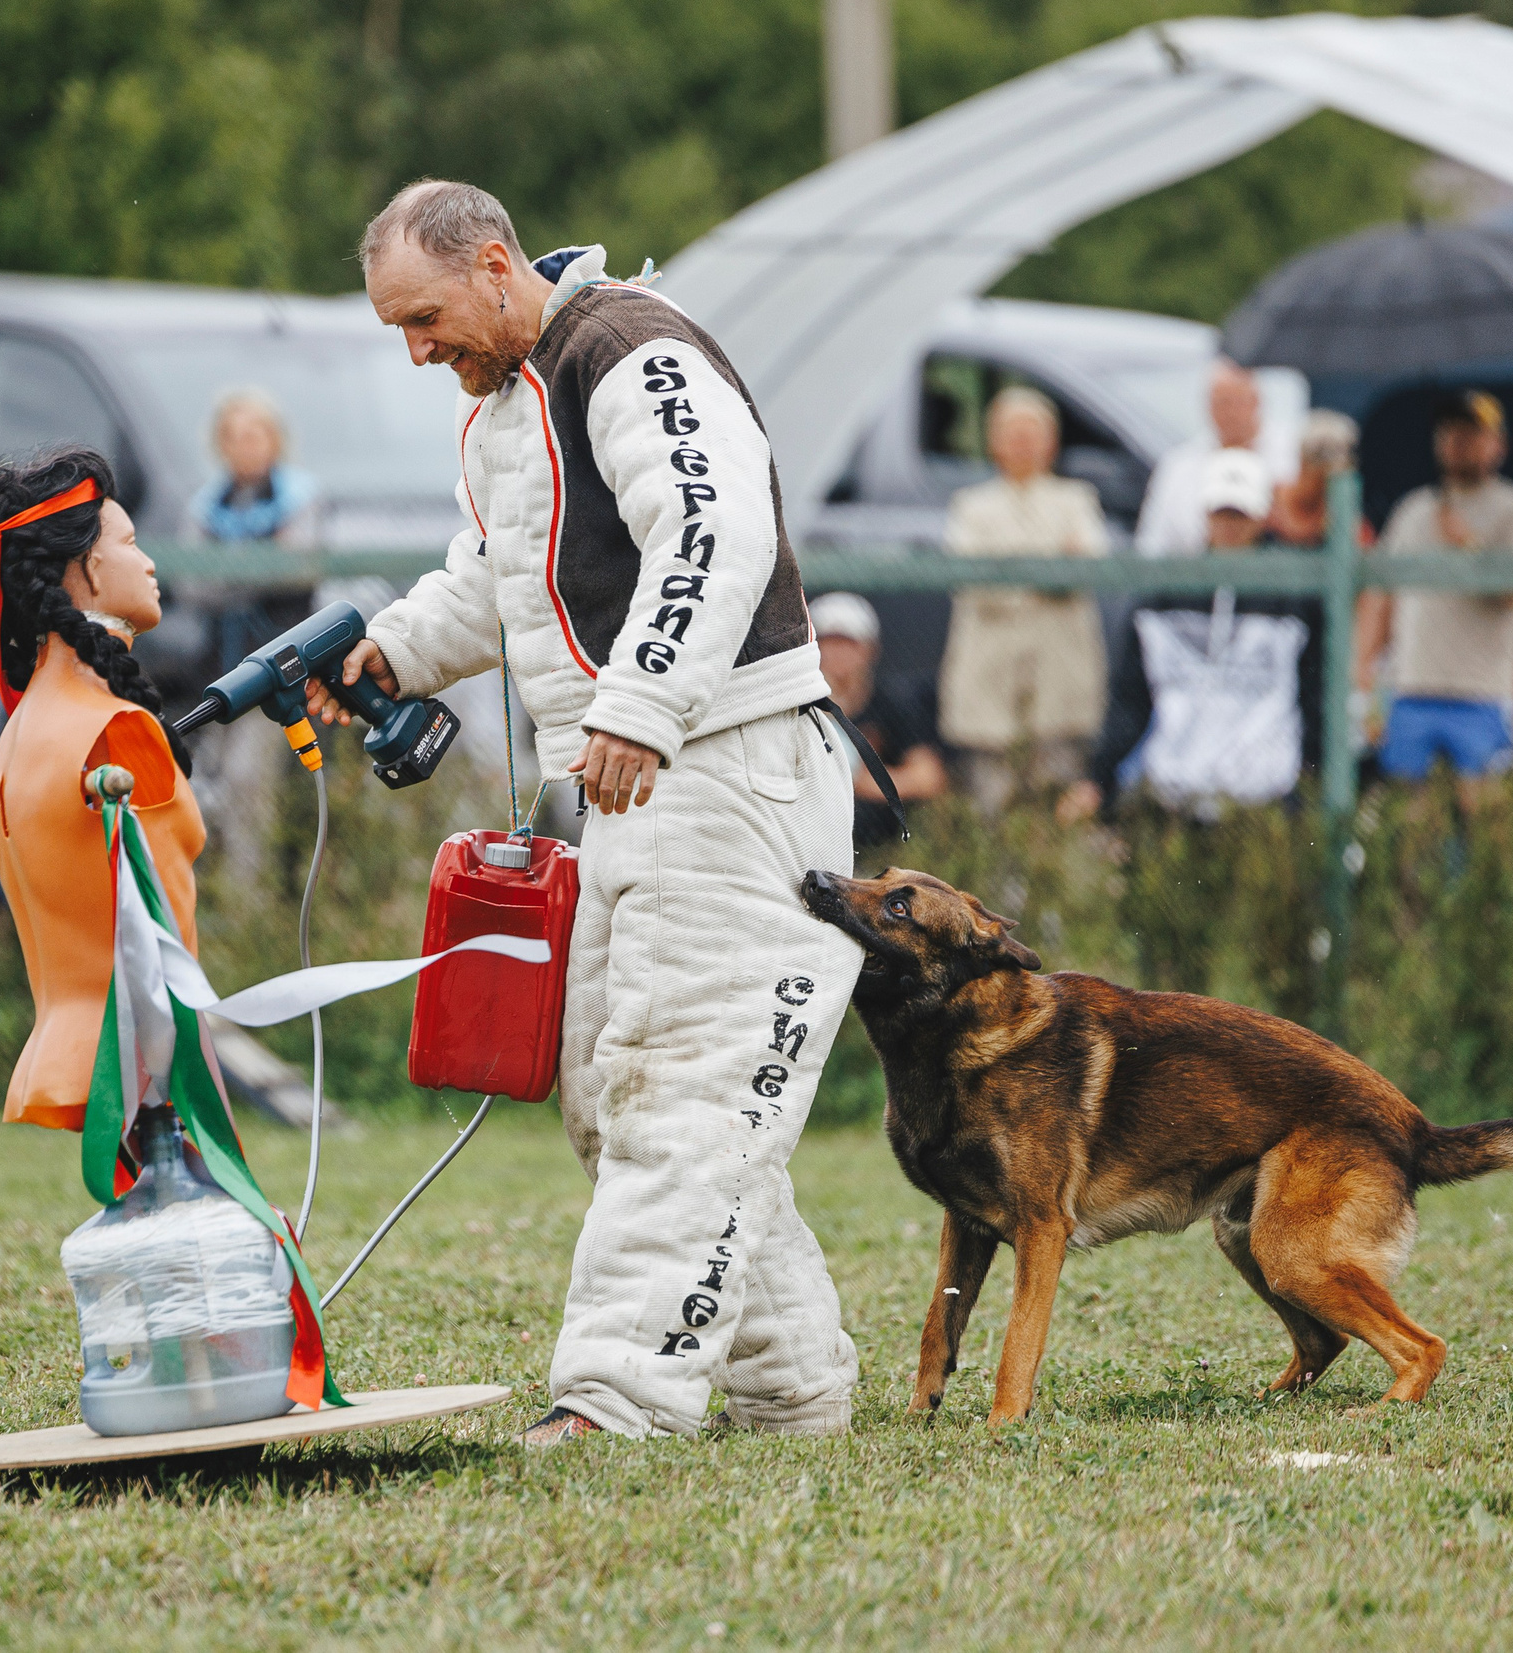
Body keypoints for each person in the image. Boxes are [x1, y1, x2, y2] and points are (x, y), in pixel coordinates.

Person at [316, 180, 863, 1446]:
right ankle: (787, 1389)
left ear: (497, 265)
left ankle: (620, 1403)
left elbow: (711, 528)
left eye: (426, 316)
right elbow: (501, 578)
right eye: (396, 327)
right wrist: (389, 654)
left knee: (680, 1092)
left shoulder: (624, 347)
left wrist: (643, 703)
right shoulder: (514, 398)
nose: (415, 349)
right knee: (619, 1097)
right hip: (650, 771)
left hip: (719, 760)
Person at [0, 445, 199, 1134]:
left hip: (54, 1042)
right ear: (92, 568)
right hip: (130, 1056)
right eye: (131, 542)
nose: (150, 561)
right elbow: (166, 934)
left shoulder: (22, 726)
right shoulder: (115, 728)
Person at [1086, 449, 1322, 818]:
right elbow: (1131, 697)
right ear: (1205, 514)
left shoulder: (1294, 597)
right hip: (1176, 797)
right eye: (1221, 512)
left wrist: (1314, 779)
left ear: (1262, 517)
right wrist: (1100, 776)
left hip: (1265, 799)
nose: (1230, 525)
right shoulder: (1163, 595)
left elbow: (1315, 696)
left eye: (1240, 514)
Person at [1352, 391, 1513, 786]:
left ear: (1498, 444)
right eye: (1449, 432)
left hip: (1484, 694)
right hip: (1411, 691)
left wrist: (1470, 549)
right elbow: (1381, 597)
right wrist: (1363, 678)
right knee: (1413, 816)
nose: (1458, 441)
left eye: (1471, 433)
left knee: (1483, 809)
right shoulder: (1413, 510)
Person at [935, 385, 1111, 815]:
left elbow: (1088, 565)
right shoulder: (971, 506)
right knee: (993, 810)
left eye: (1032, 433)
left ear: (1051, 442)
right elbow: (971, 578)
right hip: (991, 691)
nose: (1022, 443)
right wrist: (1048, 571)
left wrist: (1011, 569)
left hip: (1058, 688)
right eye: (1012, 433)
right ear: (994, 442)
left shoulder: (1077, 500)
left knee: (1057, 806)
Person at [189, 387, 322, 669]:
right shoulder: (206, 504)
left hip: (287, 645)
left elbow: (293, 569)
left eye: (252, 436)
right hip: (222, 650)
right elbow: (191, 582)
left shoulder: (299, 497)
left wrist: (227, 571)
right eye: (232, 438)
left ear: (274, 439)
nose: (242, 447)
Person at [810, 592, 947, 842]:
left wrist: (865, 782)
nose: (839, 653)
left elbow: (929, 777)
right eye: (830, 643)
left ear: (870, 649)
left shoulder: (894, 704)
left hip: (882, 843)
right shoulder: (800, 706)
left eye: (849, 643)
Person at [1134, 359, 1298, 557]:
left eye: (1236, 401)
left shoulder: (1293, 453)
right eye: (1220, 402)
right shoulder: (1179, 464)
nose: (1229, 413)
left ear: (1257, 401)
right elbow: (1152, 545)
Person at [1266, 409, 1359, 547]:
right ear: (1301, 459)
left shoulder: (1353, 522)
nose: (1323, 474)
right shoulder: (1271, 507)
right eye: (1316, 459)